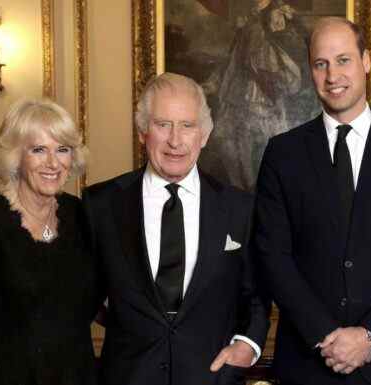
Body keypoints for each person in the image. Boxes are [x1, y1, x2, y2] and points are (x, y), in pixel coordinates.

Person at [253, 17, 371, 385]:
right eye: (320, 63)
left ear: (366, 61)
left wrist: (370, 335)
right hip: (308, 364)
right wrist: (327, 337)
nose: (332, 75)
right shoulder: (283, 153)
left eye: (343, 60)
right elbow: (273, 256)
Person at [82, 72, 270, 385]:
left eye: (187, 125)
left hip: (212, 376)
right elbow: (79, 297)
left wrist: (247, 346)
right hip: (127, 376)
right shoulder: (101, 204)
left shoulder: (239, 208)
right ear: (143, 131)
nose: (175, 140)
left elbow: (257, 294)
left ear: (204, 135)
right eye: (162, 124)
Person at [0, 99, 95, 385]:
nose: (53, 163)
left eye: (62, 150)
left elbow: (100, 299)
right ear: (15, 156)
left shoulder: (82, 216)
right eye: (38, 150)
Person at [201, 0, 319, 190]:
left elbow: (296, 51)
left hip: (268, 87)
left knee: (271, 143)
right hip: (244, 89)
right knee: (236, 141)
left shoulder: (279, 16)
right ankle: (245, 189)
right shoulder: (248, 22)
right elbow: (233, 58)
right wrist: (214, 82)